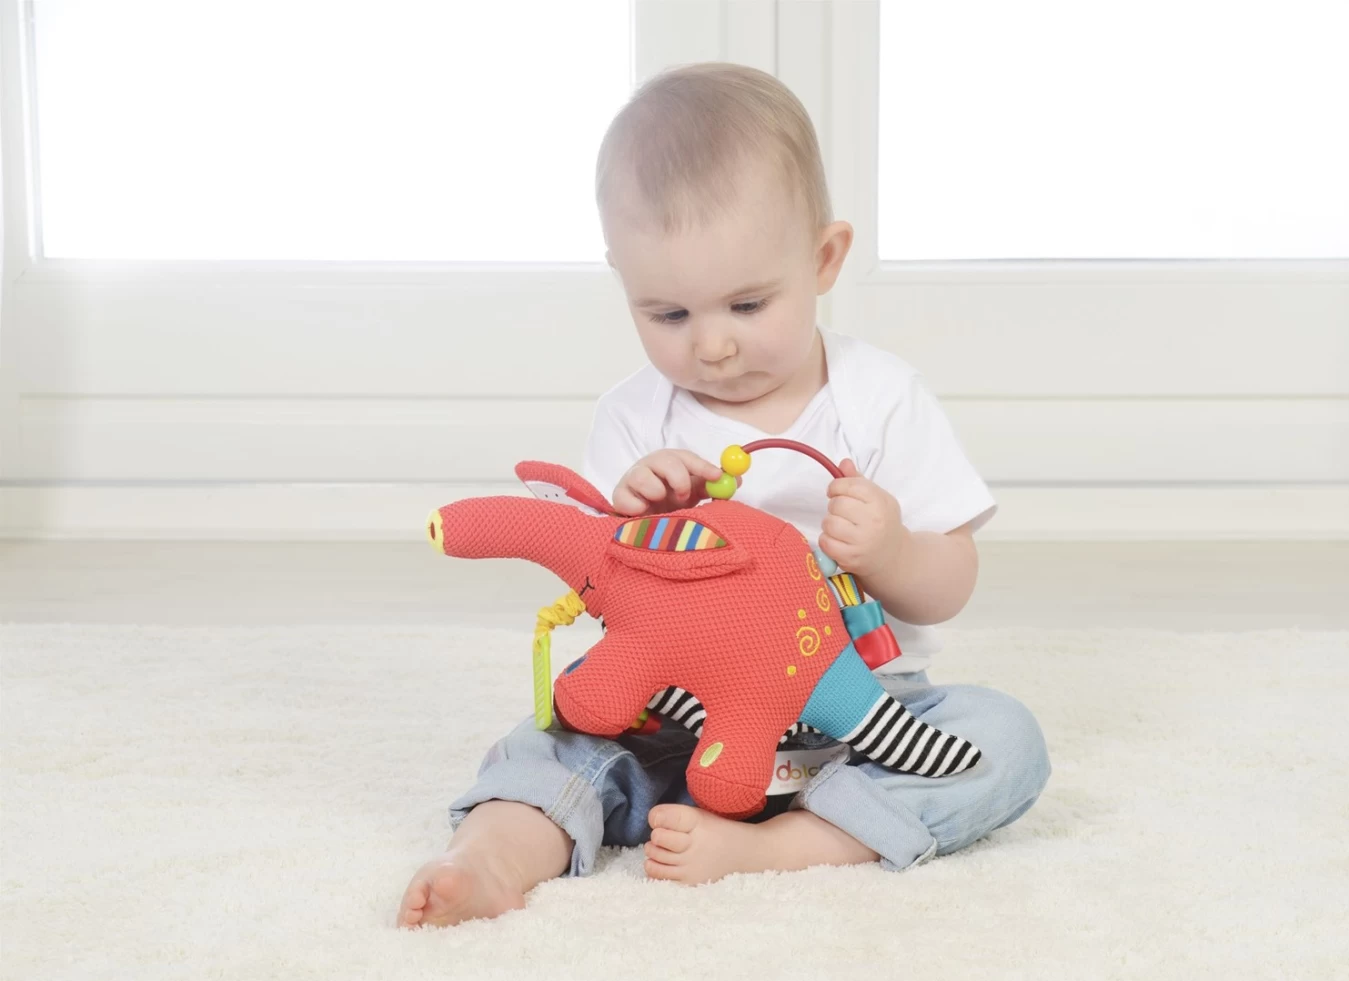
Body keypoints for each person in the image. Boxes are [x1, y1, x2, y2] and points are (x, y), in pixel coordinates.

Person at [398, 63, 1050, 929]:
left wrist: (893, 550)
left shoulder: (881, 397)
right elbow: (603, 586)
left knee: (1001, 739)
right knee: (552, 739)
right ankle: (488, 858)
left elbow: (952, 581)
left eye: (747, 304)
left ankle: (787, 845)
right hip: (672, 722)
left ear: (823, 259)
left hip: (852, 723)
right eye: (668, 314)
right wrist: (634, 519)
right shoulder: (634, 416)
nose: (711, 345)